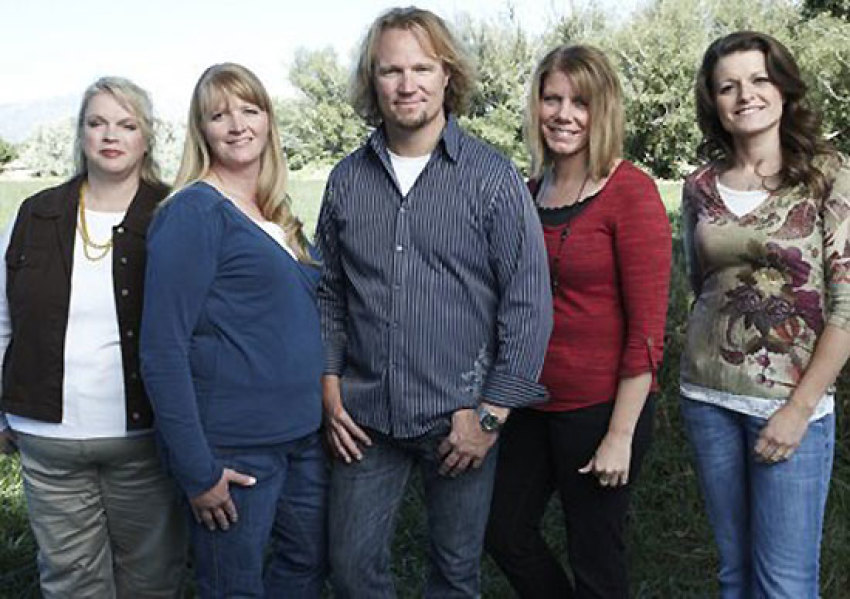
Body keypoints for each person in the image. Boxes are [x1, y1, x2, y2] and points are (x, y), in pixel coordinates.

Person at [315, 6, 552, 598]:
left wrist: (492, 417)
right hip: (365, 418)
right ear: (374, 80)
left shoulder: (491, 178)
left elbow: (527, 304)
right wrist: (329, 386)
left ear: (448, 75)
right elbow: (330, 292)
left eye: (422, 67)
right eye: (391, 70)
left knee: (454, 574)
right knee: (350, 570)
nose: (407, 83)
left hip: (461, 419)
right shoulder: (347, 180)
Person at [484, 45, 672, 598]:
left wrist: (620, 435)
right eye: (552, 99)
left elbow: (647, 332)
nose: (564, 114)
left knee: (595, 554)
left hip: (599, 410)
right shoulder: (527, 193)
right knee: (504, 530)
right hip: (529, 404)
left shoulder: (629, 193)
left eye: (580, 102)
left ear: (602, 111)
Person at [139, 63, 327, 598]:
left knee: (305, 567)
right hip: (235, 449)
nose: (237, 124)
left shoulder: (274, 214)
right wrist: (197, 470)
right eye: (219, 114)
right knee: (233, 587)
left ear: (268, 121)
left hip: (301, 438)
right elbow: (161, 350)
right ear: (201, 130)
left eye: (249, 109)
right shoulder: (194, 212)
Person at [0, 77, 186, 598]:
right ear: (80, 134)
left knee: (151, 578)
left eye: (126, 124)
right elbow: (2, 318)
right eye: (97, 122)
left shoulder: (175, 212)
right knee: (70, 582)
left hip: (145, 434)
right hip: (46, 436)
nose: (111, 135)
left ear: (146, 137)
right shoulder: (34, 213)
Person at [680, 31, 850, 598]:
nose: (744, 95)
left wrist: (799, 411)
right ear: (714, 102)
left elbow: (847, 304)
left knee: (784, 584)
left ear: (782, 87)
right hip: (707, 398)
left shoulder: (828, 175)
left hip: (790, 406)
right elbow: (700, 282)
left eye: (758, 79)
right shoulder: (699, 186)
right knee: (734, 575)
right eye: (727, 86)